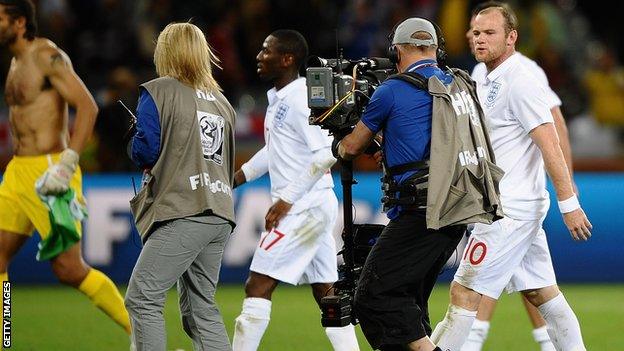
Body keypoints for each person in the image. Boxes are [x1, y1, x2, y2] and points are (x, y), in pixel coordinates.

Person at [431, 5, 592, 351]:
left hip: (509, 210)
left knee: (464, 291)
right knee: (541, 292)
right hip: (505, 203)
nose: (480, 39)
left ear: (511, 37)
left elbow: (550, 144)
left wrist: (570, 204)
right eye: (475, 33)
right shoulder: (481, 74)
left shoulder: (521, 81)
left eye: (489, 33)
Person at [336, 18, 477, 351]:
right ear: (435, 49)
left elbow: (352, 148)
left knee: (374, 294)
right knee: (410, 298)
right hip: (457, 206)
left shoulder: (391, 90)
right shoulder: (459, 83)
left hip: (419, 211)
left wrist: (338, 139)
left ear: (395, 50)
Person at [0, 0, 130, 335]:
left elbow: (87, 106)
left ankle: (143, 334)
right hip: (18, 171)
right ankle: (4, 338)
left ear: (18, 22)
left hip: (51, 170)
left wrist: (68, 162)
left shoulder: (46, 55)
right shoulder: (14, 63)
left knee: (70, 270)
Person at [231, 30, 360, 351]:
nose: (259, 57)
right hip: (311, 206)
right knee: (328, 295)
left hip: (304, 207)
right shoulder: (281, 98)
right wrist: (238, 177)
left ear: (287, 59)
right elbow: (275, 150)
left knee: (257, 285)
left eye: (266, 51)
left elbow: (327, 151)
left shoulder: (302, 97)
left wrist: (287, 199)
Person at [124, 22, 236, 351]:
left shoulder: (159, 91)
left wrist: (131, 139)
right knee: (200, 309)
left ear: (165, 52)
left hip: (183, 209)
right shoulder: (222, 102)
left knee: (142, 298)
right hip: (220, 211)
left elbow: (145, 151)